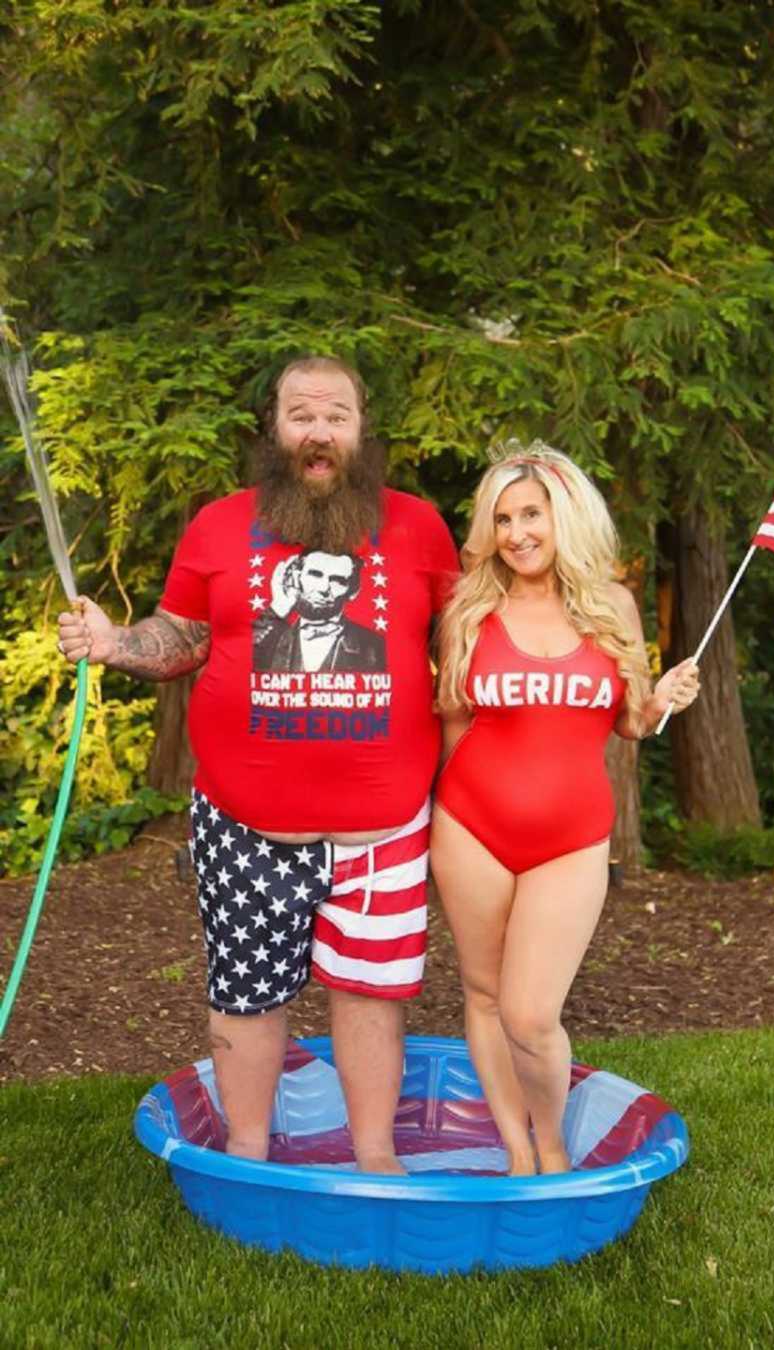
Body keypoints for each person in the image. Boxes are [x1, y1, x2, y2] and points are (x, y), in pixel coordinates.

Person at [58, 355, 458, 1172]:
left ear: (362, 429)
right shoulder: (217, 525)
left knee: (371, 998)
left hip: (383, 832)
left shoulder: (419, 527)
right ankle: (245, 1156)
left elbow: (463, 655)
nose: (318, 433)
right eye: (301, 415)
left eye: (336, 416)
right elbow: (182, 640)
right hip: (244, 826)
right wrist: (114, 643)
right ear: (275, 429)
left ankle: (376, 1157)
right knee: (245, 994)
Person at [431, 441, 699, 1176]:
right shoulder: (471, 608)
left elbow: (629, 726)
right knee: (484, 998)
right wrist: (452, 812)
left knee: (529, 1013)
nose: (517, 532)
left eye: (531, 515)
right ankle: (517, 1154)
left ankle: (552, 1146)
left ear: (565, 516)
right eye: (504, 518)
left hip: (571, 839)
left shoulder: (610, 605)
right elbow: (454, 722)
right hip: (471, 830)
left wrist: (660, 700)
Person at [253, 548, 386, 671]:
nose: (323, 588)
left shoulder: (375, 646)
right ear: (297, 578)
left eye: (337, 580)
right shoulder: (271, 638)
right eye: (315, 574)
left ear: (353, 591)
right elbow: (241, 659)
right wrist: (278, 607)